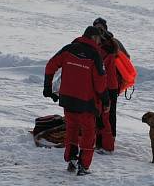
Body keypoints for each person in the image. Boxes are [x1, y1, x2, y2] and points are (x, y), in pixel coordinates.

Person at [43, 26, 112, 176]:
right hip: (86, 102)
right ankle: (84, 166)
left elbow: (50, 66)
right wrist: (106, 101)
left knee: (72, 129)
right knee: (88, 133)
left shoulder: (68, 49)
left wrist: (47, 87)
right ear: (93, 38)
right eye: (99, 39)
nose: (99, 42)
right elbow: (100, 83)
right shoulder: (95, 55)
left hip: (67, 99)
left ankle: (71, 160)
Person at [92, 17, 129, 152]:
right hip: (112, 84)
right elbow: (127, 58)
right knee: (110, 112)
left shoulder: (92, 42)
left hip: (98, 84)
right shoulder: (115, 43)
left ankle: (99, 140)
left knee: (98, 111)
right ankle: (110, 138)